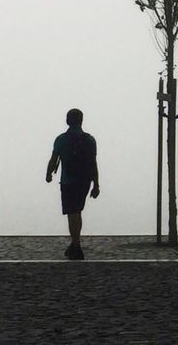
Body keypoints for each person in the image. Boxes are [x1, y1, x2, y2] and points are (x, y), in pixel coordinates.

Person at [45, 108, 100, 260]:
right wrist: (96, 184)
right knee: (78, 212)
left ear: (68, 121)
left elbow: (54, 159)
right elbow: (93, 163)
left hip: (68, 181)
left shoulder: (61, 139)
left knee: (72, 213)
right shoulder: (89, 140)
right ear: (81, 120)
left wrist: (48, 173)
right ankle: (75, 244)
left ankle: (76, 245)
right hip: (84, 181)